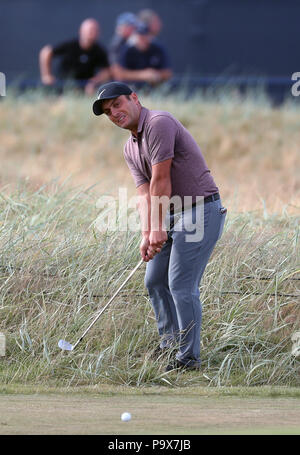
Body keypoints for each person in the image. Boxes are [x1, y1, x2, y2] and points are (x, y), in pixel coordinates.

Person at [92, 81, 227, 371]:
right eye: (107, 111)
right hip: (173, 215)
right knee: (154, 280)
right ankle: (170, 347)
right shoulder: (130, 147)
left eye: (117, 104)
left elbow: (161, 180)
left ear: (134, 99)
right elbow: (144, 194)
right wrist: (147, 233)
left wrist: (157, 228)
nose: (114, 113)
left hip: (201, 209)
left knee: (180, 284)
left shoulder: (159, 122)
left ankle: (188, 359)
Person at [39, 18, 111, 95]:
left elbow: (107, 71)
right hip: (62, 87)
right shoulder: (70, 45)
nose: (92, 33)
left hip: (83, 90)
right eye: (90, 31)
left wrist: (95, 81)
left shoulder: (99, 50)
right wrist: (46, 75)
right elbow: (46, 52)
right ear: (81, 31)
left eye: (95, 30)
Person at [112, 22, 172, 87]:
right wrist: (142, 75)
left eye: (145, 36)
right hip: (131, 88)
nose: (142, 40)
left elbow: (168, 73)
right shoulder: (127, 50)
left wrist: (155, 75)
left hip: (154, 86)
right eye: (140, 37)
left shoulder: (158, 49)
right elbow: (119, 74)